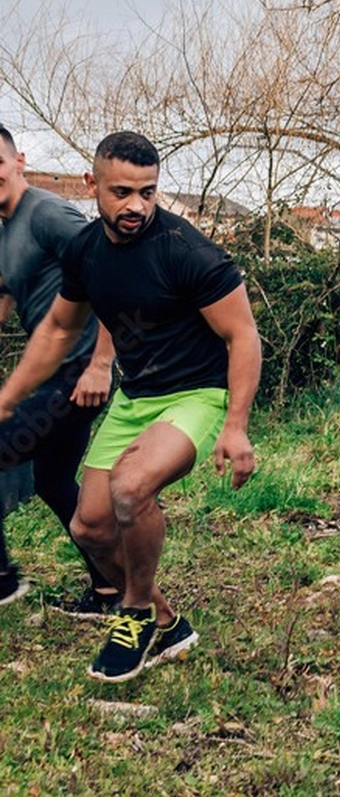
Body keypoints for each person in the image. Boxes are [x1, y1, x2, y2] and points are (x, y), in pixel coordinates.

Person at [0, 130, 262, 682]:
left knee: (130, 487)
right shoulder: (86, 251)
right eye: (122, 192)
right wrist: (9, 396)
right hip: (136, 395)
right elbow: (59, 329)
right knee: (89, 526)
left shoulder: (187, 251)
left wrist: (236, 426)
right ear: (92, 184)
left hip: (196, 394)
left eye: (148, 192)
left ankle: (136, 612)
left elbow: (242, 336)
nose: (136, 206)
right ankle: (168, 624)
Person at [0, 124, 119, 615]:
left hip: (79, 374)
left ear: (19, 161)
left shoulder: (47, 213)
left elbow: (108, 272)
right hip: (51, 375)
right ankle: (109, 589)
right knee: (52, 480)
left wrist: (102, 363)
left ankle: (2, 579)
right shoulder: (4, 232)